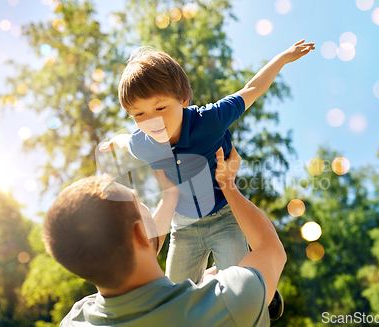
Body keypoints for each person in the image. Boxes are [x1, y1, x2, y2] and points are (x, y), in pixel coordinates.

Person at [99, 40, 314, 284]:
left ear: (183, 99)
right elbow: (126, 140)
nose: (151, 121)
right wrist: (113, 142)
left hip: (224, 216)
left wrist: (284, 57)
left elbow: (252, 88)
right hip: (184, 227)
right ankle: (210, 276)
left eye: (160, 107)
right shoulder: (144, 144)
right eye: (139, 114)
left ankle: (263, 290)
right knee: (178, 296)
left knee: (237, 286)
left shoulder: (211, 120)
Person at [43, 145, 287, 326]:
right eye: (138, 201)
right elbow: (271, 250)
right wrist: (228, 185)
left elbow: (133, 252)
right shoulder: (231, 303)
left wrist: (170, 195)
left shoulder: (77, 318)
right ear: (140, 234)